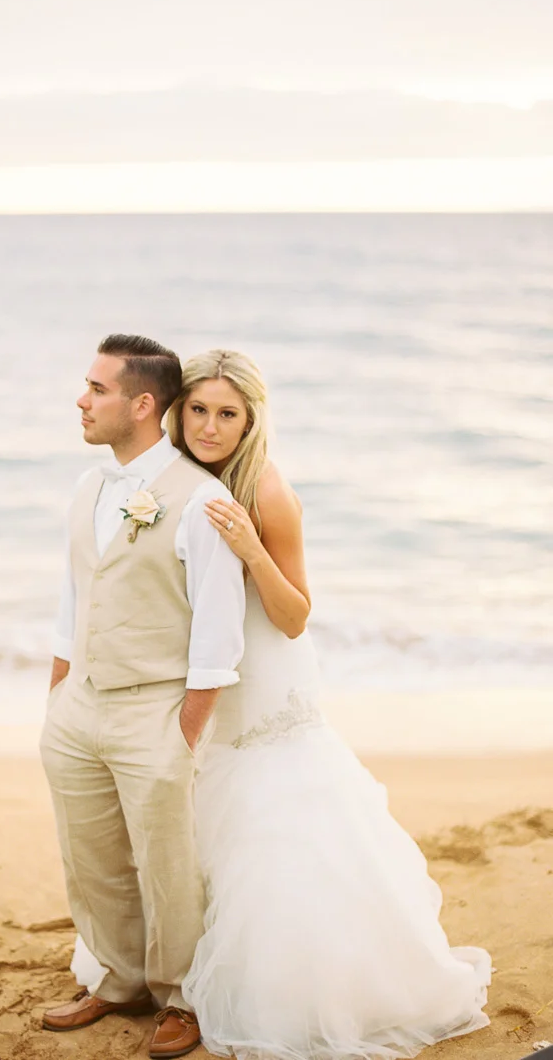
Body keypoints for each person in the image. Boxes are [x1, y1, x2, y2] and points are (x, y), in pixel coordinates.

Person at [73, 348, 491, 1060]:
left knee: (270, 830)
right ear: (175, 410)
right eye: (198, 409)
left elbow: (295, 615)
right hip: (198, 678)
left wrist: (250, 547)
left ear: (250, 420)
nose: (209, 425)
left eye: (227, 413)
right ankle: (168, 975)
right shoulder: (171, 481)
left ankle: (242, 989)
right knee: (183, 832)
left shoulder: (265, 490)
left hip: (265, 685)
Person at [39, 335, 246, 1059]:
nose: (81, 399)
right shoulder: (88, 488)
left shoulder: (202, 499)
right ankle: (120, 978)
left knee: (167, 863)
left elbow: (218, 636)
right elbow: (73, 599)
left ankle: (182, 993)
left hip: (153, 711)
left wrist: (182, 736)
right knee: (89, 854)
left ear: (143, 404)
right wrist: (57, 702)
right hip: (79, 708)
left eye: (96, 388)